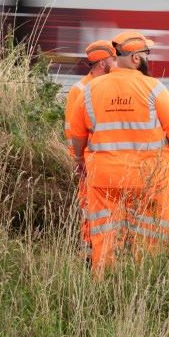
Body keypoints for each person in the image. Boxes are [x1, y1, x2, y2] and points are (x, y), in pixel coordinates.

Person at [68, 30, 169, 272]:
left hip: (104, 178)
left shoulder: (90, 90)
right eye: (147, 53)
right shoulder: (154, 89)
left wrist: (79, 161)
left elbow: (78, 134)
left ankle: (104, 285)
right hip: (150, 178)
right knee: (150, 234)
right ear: (136, 58)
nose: (148, 57)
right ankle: (143, 280)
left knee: (105, 234)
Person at [63, 40, 117, 260]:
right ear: (103, 63)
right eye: (114, 59)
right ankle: (89, 255)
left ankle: (104, 253)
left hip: (107, 162)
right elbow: (73, 131)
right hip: (89, 162)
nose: (117, 62)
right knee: (89, 209)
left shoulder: (107, 87)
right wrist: (80, 161)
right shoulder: (80, 90)